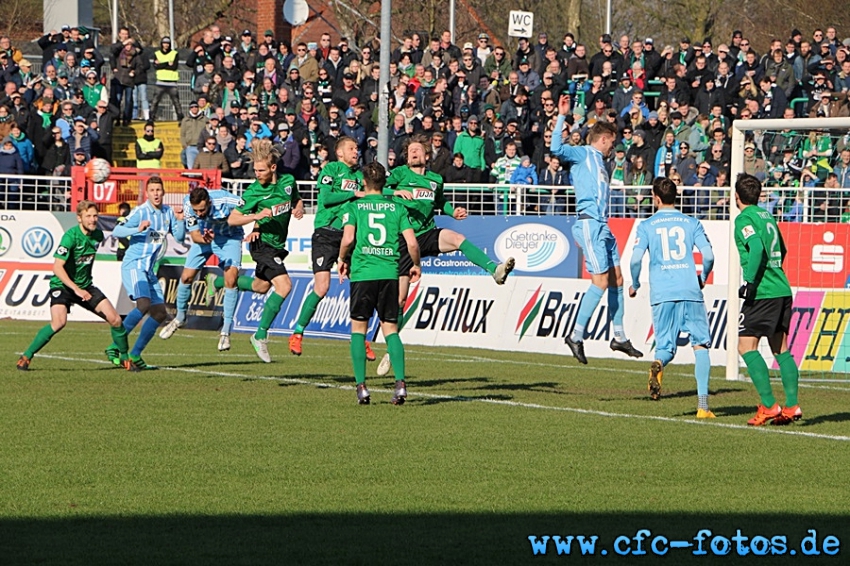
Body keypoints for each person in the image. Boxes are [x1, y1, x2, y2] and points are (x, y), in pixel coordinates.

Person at [376, 134, 515, 376]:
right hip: (404, 239)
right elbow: (379, 191)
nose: (414, 154)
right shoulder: (400, 174)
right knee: (399, 300)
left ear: (426, 155)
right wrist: (396, 194)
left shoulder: (435, 179)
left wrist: (453, 211)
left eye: (418, 150)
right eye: (410, 151)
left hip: (428, 233)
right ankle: (392, 347)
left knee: (457, 239)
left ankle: (495, 269)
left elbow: (440, 201)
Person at [550, 94, 643, 364]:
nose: (612, 147)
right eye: (611, 142)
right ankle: (576, 335)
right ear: (602, 139)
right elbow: (556, 147)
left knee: (617, 279)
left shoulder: (600, 163)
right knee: (600, 282)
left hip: (603, 225)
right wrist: (561, 116)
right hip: (590, 223)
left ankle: (620, 336)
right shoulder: (584, 153)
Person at [628, 177, 715, 416]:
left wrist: (635, 283)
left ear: (656, 198)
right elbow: (708, 255)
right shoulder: (691, 223)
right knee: (701, 346)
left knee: (665, 347)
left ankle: (659, 365)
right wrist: (703, 277)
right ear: (675, 197)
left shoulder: (646, 225)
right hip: (690, 289)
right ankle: (703, 406)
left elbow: (635, 259)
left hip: (663, 292)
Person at [17, 201, 137, 372]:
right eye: (88, 216)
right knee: (59, 322)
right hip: (63, 285)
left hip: (86, 286)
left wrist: (82, 288)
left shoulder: (98, 235)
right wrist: (76, 289)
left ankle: (125, 359)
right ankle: (26, 356)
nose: (93, 219)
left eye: (95, 216)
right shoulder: (70, 237)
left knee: (116, 319)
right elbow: (57, 267)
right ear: (79, 218)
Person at [338, 161, 421, 404]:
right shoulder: (397, 208)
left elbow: (348, 238)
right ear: (385, 183)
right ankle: (401, 384)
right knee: (391, 330)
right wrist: (416, 264)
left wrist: (342, 258)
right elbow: (413, 244)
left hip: (363, 274)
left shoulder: (355, 206)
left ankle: (362, 387)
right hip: (389, 274)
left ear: (364, 182)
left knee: (358, 329)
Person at [288, 137, 375, 360]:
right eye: (351, 148)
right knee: (322, 286)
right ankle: (297, 332)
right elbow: (325, 199)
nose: (356, 151)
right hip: (326, 233)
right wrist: (354, 194)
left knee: (362, 287)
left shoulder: (360, 176)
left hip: (351, 235)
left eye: (357, 148)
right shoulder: (333, 169)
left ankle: (362, 339)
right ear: (339, 153)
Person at [225, 139, 304, 362]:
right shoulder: (253, 191)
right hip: (261, 244)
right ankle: (260, 335)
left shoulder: (288, 181)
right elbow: (232, 218)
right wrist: (256, 217)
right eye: (255, 169)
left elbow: (296, 200)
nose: (257, 173)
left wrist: (298, 208)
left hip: (277, 245)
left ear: (273, 168)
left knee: (261, 287)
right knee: (285, 285)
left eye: (261, 170)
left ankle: (221, 282)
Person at [733, 174, 800, 426]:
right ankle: (792, 406)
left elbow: (757, 248)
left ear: (736, 196)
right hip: (782, 288)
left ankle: (770, 406)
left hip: (763, 292)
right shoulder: (767, 216)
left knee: (745, 347)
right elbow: (781, 250)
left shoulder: (744, 218)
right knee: (780, 349)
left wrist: (750, 281)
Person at [104, 177, 185, 369]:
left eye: (159, 190)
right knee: (143, 304)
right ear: (147, 193)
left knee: (159, 313)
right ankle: (114, 346)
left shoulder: (167, 213)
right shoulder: (140, 212)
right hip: (134, 265)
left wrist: (180, 220)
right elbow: (116, 230)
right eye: (152, 190)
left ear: (163, 192)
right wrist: (136, 228)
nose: (156, 193)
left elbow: (180, 237)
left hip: (149, 269)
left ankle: (135, 355)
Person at [159, 187, 246, 352]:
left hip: (229, 238)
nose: (199, 213)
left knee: (231, 279)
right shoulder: (188, 204)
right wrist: (204, 238)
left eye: (202, 210)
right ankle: (180, 318)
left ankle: (225, 331)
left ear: (210, 203)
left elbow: (250, 207)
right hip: (205, 237)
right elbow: (194, 236)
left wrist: (256, 227)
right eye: (196, 210)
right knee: (186, 277)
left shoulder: (227, 201)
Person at [150, 37, 184, 122]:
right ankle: (151, 118)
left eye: (167, 43)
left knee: (176, 102)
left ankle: (180, 118)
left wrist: (161, 64)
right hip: (160, 81)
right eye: (164, 43)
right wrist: (167, 63)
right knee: (155, 101)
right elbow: (156, 67)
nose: (166, 45)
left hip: (172, 82)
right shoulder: (157, 53)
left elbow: (174, 67)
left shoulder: (174, 53)